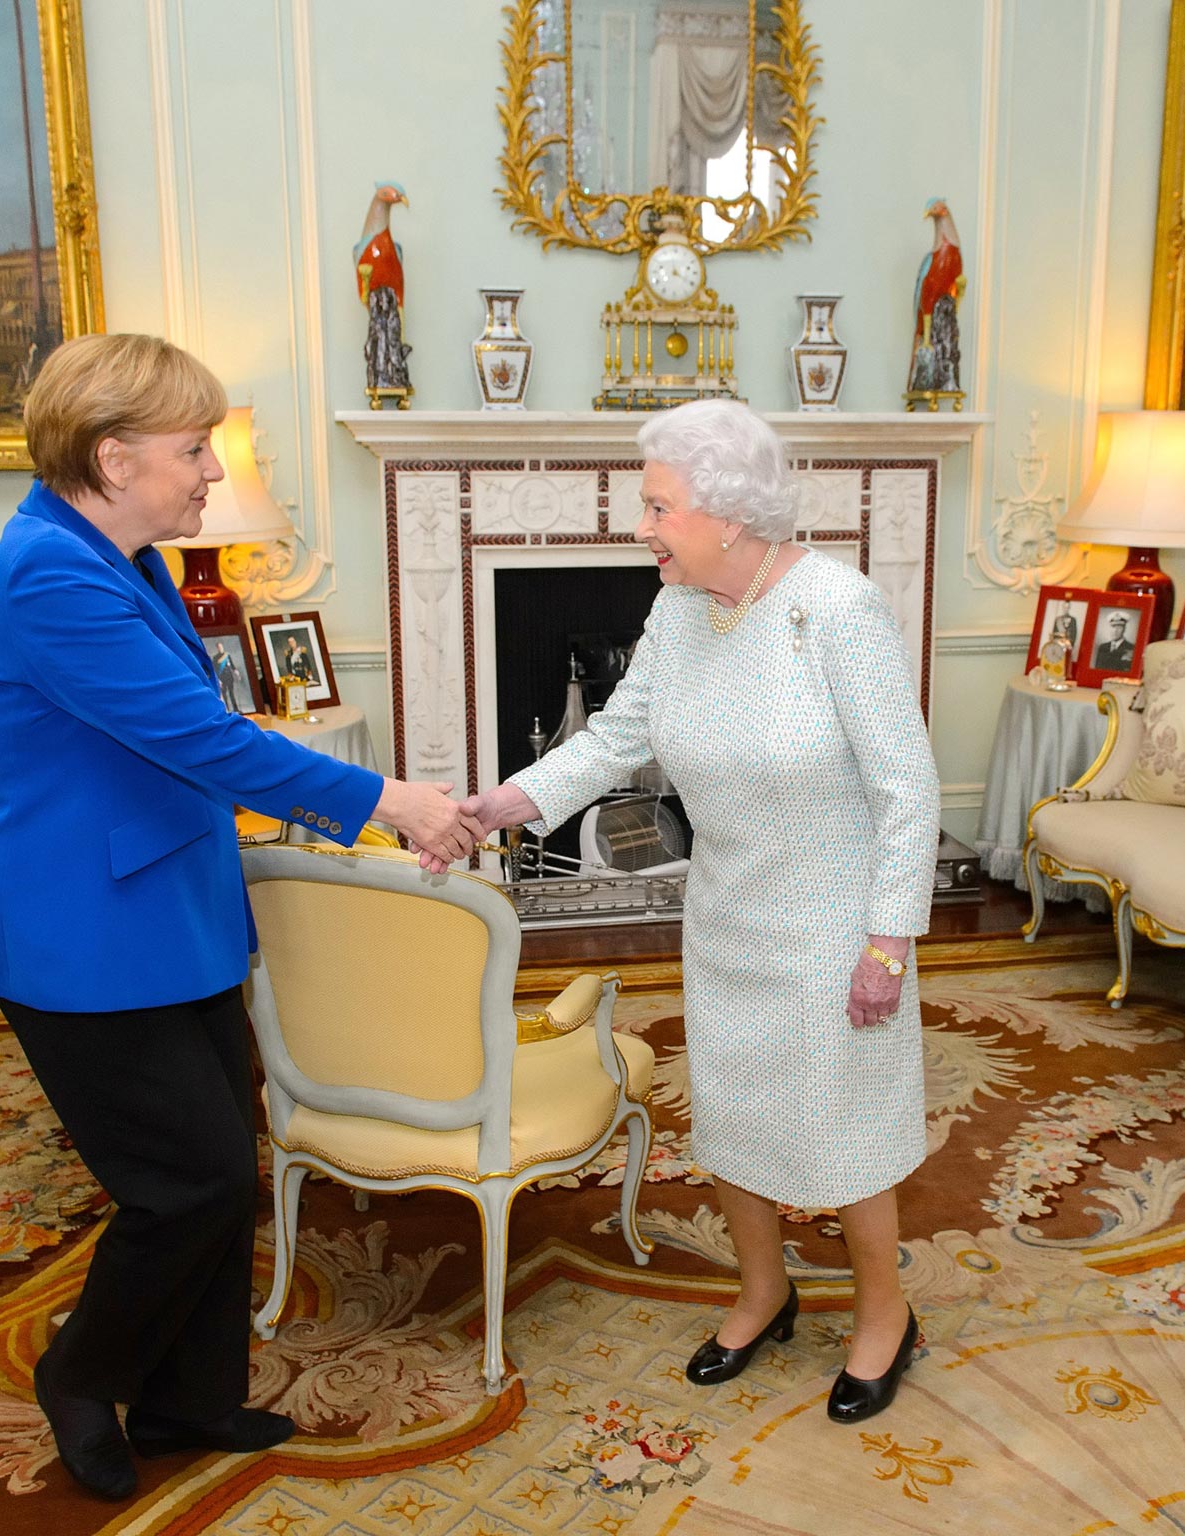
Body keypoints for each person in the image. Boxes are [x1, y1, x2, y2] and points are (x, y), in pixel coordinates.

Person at [0, 332, 479, 1500]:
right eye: (192, 449)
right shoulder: (47, 573)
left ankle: (188, 1400)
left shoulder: (120, 554)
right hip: (79, 933)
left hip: (165, 909)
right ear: (110, 456)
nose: (210, 470)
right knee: (182, 1183)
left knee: (221, 1173)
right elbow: (198, 738)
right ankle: (80, 1375)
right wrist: (390, 800)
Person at [456, 399, 940, 1427]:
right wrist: (503, 801)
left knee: (843, 1129)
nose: (639, 527)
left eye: (655, 506)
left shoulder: (835, 610)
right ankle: (763, 1293)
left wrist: (887, 944)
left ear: (725, 513)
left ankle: (884, 1317)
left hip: (836, 926)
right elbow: (611, 740)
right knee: (734, 1119)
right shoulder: (678, 611)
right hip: (725, 917)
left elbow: (907, 786)